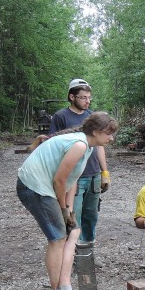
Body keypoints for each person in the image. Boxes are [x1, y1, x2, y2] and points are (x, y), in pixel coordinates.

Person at [17, 112, 119, 290]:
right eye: (109, 134)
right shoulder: (79, 145)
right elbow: (59, 180)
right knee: (57, 238)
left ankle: (65, 286)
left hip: (43, 187)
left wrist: (69, 211)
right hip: (34, 187)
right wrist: (62, 207)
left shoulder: (87, 146)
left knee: (73, 231)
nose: (111, 138)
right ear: (96, 132)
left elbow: (71, 180)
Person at [50, 78, 111, 246]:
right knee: (72, 215)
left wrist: (104, 172)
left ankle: (88, 249)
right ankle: (73, 251)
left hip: (93, 173)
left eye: (89, 97)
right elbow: (54, 145)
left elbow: (99, 145)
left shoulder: (92, 117)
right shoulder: (60, 117)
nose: (87, 101)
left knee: (91, 215)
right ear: (72, 97)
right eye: (83, 97)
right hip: (74, 176)